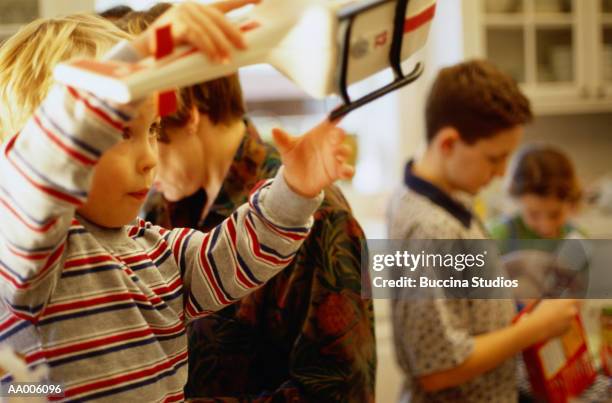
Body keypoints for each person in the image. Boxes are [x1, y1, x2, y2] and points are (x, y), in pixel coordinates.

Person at [0, 3, 354, 401]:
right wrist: (139, 54)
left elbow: (233, 254)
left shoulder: (150, 245)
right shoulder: (32, 254)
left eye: (152, 129)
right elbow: (44, 166)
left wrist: (294, 189)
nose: (150, 156)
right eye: (119, 132)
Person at [119, 5, 376, 402]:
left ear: (188, 112)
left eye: (153, 135)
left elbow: (343, 391)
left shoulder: (315, 213)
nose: (145, 168)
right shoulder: (158, 210)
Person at [387, 60, 581, 403]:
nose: (502, 172)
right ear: (448, 144)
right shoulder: (431, 228)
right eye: (494, 159)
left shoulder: (440, 196)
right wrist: (534, 329)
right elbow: (437, 371)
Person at [488, 144, 584, 254]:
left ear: (570, 203)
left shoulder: (578, 240)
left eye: (555, 214)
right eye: (533, 214)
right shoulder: (498, 235)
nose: (546, 227)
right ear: (517, 202)